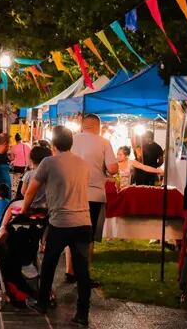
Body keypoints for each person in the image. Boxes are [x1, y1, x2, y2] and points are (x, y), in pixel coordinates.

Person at [21, 126, 91, 325]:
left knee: (49, 264)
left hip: (60, 222)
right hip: (83, 222)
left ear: (54, 144)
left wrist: (25, 210)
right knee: (82, 270)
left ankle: (42, 303)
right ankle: (83, 313)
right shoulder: (82, 163)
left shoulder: (48, 162)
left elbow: (30, 191)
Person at [69, 114, 118, 286]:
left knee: (71, 232)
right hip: (94, 194)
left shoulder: (72, 140)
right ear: (98, 126)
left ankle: (69, 271)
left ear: (82, 126)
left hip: (72, 193)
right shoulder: (103, 142)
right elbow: (113, 168)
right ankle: (85, 275)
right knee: (88, 236)